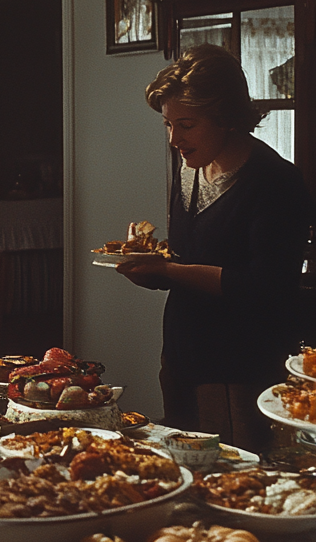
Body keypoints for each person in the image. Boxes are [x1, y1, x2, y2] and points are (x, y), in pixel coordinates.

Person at [117, 44, 311, 452]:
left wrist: (168, 270)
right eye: (168, 125)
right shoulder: (190, 170)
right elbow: (193, 260)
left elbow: (266, 289)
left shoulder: (276, 182)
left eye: (185, 124)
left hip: (240, 368)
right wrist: (150, 265)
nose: (174, 140)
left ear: (226, 118)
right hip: (182, 358)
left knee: (239, 482)